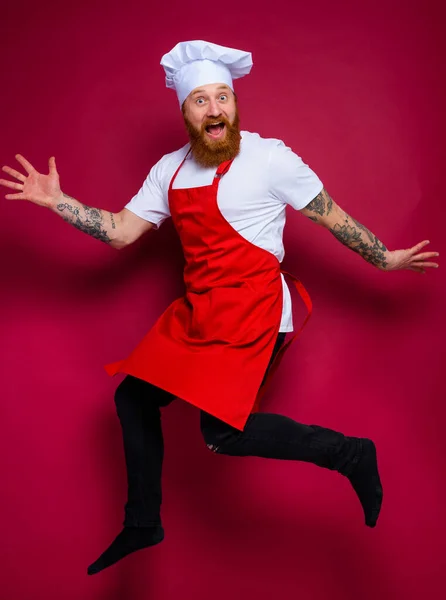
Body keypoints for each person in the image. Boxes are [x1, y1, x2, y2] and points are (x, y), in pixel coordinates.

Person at [1, 40, 439, 576]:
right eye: (201, 101)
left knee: (222, 434)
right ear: (185, 112)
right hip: (200, 311)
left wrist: (385, 259)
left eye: (223, 98)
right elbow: (119, 232)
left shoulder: (270, 158)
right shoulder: (169, 171)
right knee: (133, 399)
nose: (215, 110)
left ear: (234, 105)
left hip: (253, 308)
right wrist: (58, 203)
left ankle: (350, 454)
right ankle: (143, 521)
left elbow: (330, 216)